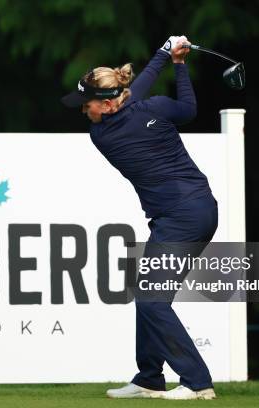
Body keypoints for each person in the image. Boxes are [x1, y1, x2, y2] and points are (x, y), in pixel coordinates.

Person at [61, 36, 218, 400]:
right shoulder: (134, 118)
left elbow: (136, 91)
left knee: (150, 299)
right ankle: (149, 376)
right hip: (188, 211)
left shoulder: (107, 128)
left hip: (185, 215)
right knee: (148, 295)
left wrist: (167, 56)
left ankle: (197, 382)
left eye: (88, 105)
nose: (85, 111)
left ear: (107, 104)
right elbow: (188, 109)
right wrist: (175, 62)